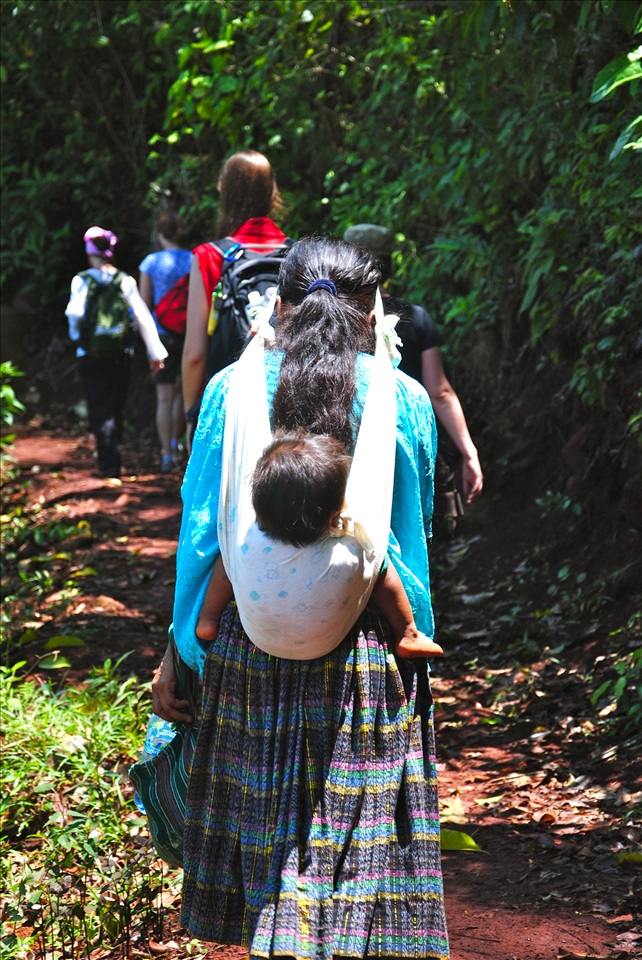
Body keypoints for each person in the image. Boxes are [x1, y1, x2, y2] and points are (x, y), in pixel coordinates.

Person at [153, 238, 449, 958]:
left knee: (274, 853)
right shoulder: (404, 397)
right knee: (350, 856)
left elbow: (205, 535)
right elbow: (410, 539)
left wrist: (180, 655)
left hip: (251, 649)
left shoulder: (230, 390)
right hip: (365, 658)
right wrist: (418, 644)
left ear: (277, 309)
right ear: (374, 312)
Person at [196, 430, 444, 660]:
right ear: (332, 517)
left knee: (226, 563)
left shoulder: (243, 543)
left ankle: (208, 618)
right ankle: (408, 634)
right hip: (325, 643)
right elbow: (373, 557)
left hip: (262, 639)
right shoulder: (350, 556)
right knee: (380, 564)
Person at [344, 223, 483, 526]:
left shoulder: (335, 320)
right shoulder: (416, 318)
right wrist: (468, 453)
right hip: (406, 442)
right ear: (389, 264)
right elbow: (439, 392)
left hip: (351, 444)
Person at [182, 150, 288, 444]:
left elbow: (194, 353)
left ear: (225, 192)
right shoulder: (298, 254)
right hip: (288, 401)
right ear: (272, 192)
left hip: (229, 399)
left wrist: (192, 414)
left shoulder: (209, 256)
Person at [65, 226, 168, 478]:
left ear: (90, 254)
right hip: (121, 355)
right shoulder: (125, 280)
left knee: (99, 408)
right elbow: (142, 316)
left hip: (90, 355)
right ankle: (113, 451)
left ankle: (109, 464)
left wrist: (77, 337)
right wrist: (156, 352)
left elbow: (74, 314)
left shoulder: (82, 280)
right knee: (116, 406)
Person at [139, 208, 192, 472]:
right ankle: (177, 441)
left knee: (164, 397)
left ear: (160, 235)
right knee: (183, 395)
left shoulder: (150, 263)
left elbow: (142, 304)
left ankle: (167, 454)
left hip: (160, 335)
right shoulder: (193, 260)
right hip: (188, 334)